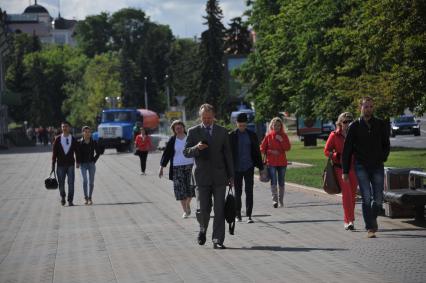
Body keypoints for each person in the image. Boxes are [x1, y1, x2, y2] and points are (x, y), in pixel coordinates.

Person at [184, 104, 233, 249]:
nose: (206, 120)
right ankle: (203, 229)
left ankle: (217, 239)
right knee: (202, 209)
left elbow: (228, 154)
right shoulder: (193, 131)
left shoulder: (222, 132)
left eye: (209, 118)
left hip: (219, 176)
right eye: (204, 117)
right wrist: (196, 148)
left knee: (219, 209)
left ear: (214, 117)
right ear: (200, 117)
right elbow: (186, 152)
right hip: (201, 177)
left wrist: (231, 175)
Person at [342, 96, 390, 238]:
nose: (368, 109)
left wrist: (382, 157)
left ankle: (372, 219)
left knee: (379, 198)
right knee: (366, 197)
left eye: (370, 106)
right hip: (361, 165)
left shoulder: (380, 124)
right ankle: (370, 228)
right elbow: (347, 150)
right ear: (360, 108)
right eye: (366, 106)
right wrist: (345, 171)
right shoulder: (354, 126)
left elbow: (386, 144)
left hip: (377, 165)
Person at [324, 112, 358, 230]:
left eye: (350, 121)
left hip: (353, 168)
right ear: (340, 122)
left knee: (352, 195)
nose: (347, 124)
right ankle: (350, 221)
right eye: (345, 122)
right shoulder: (334, 135)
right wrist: (335, 155)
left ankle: (347, 219)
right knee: (347, 195)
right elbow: (326, 151)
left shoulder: (355, 134)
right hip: (340, 168)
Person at [229, 113, 263, 223]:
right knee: (237, 192)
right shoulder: (231, 135)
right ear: (236, 124)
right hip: (236, 169)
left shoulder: (252, 135)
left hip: (249, 167)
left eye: (244, 125)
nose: (242, 127)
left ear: (246, 124)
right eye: (240, 125)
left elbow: (257, 152)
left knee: (249, 191)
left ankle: (249, 215)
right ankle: (238, 214)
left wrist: (261, 167)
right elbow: (228, 154)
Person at [159, 120, 195, 218]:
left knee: (191, 189)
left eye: (180, 128)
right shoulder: (172, 140)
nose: (179, 130)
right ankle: (185, 211)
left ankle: (187, 204)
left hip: (190, 166)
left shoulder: (190, 138)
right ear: (174, 130)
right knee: (180, 190)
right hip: (177, 167)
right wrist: (161, 167)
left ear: (184, 127)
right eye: (176, 128)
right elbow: (166, 154)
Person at [260, 117, 291, 208]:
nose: (277, 127)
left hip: (282, 162)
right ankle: (275, 200)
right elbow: (262, 148)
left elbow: (287, 148)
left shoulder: (284, 136)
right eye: (275, 125)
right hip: (271, 162)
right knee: (274, 180)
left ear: (281, 126)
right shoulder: (268, 136)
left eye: (279, 125)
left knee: (281, 181)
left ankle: (281, 200)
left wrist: (281, 140)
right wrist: (271, 151)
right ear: (272, 126)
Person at [51, 121, 79, 206]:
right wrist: (53, 164)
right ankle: (63, 197)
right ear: (61, 128)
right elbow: (54, 153)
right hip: (60, 165)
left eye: (66, 126)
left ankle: (70, 200)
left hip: (70, 164)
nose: (64, 128)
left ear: (69, 128)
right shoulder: (57, 139)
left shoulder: (73, 139)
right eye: (63, 126)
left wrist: (78, 161)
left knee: (71, 183)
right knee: (61, 183)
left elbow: (77, 151)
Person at [76, 126, 102, 205]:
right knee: (85, 180)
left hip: (91, 164)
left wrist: (94, 160)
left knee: (91, 182)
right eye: (86, 132)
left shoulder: (93, 142)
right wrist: (77, 162)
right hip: (83, 164)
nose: (87, 133)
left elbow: (98, 152)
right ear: (83, 133)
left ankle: (90, 197)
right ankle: (85, 197)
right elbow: (77, 153)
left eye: (89, 132)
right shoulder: (79, 142)